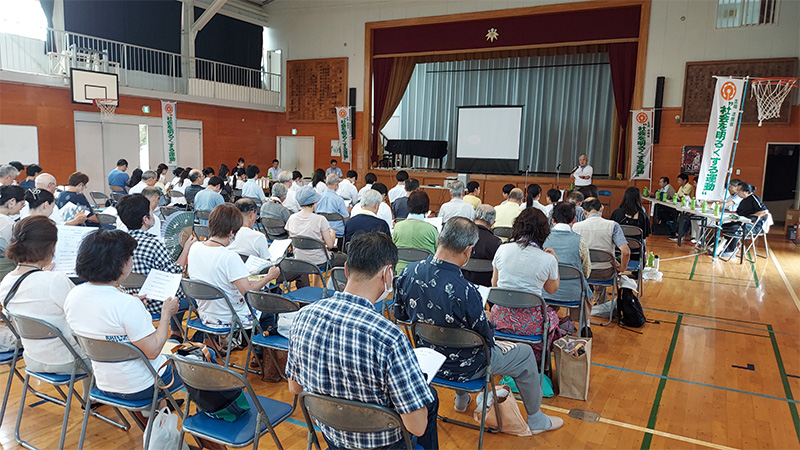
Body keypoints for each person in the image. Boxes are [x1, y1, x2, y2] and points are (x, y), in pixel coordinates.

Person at [395, 218, 564, 434]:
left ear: (439, 239)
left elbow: (402, 315)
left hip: (429, 359)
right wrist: (488, 319)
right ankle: (536, 419)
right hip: (467, 366)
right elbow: (486, 339)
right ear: (468, 251)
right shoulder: (466, 291)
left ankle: (461, 398)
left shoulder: (408, 273)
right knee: (524, 354)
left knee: (452, 333)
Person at [287, 232, 438, 450]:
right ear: (388, 274)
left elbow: (295, 387)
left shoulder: (303, 316)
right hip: (383, 445)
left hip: (333, 439)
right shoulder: (389, 336)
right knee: (428, 400)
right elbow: (417, 426)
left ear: (346, 270)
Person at [64, 229, 179, 405]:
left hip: (104, 383)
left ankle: (154, 412)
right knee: (202, 356)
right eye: (130, 256)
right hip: (142, 385)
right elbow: (153, 351)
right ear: (120, 263)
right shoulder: (126, 304)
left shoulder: (73, 295)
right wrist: (166, 315)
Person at [0, 216, 88, 381]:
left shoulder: (6, 283)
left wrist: (41, 271)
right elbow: (85, 313)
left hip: (33, 359)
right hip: (71, 361)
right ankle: (91, 398)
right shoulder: (54, 280)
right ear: (51, 247)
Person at [187, 204, 281, 329]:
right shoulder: (229, 257)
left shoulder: (194, 248)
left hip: (206, 315)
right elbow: (248, 292)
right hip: (230, 316)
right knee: (269, 308)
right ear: (231, 232)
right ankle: (257, 346)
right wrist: (269, 277)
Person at [117, 194, 193, 339]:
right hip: (157, 304)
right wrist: (186, 248)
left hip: (131, 300)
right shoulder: (154, 243)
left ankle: (176, 333)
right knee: (196, 297)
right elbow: (175, 273)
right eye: (151, 212)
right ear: (145, 219)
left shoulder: (119, 242)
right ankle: (196, 339)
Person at [490, 207, 562, 345]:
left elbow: (495, 284)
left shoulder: (502, 249)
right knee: (553, 317)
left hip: (500, 319)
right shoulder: (548, 259)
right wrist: (556, 263)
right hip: (532, 325)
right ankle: (542, 362)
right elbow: (551, 289)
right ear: (544, 231)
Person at [543, 202, 593, 336]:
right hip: (573, 292)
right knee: (585, 288)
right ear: (574, 219)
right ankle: (584, 326)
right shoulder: (580, 241)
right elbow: (587, 271)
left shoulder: (543, 239)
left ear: (553, 220)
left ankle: (549, 321)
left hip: (546, 291)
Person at [572, 198, 631, 292]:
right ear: (601, 208)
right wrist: (622, 267)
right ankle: (601, 303)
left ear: (584, 211)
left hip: (582, 272)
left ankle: (588, 300)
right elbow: (626, 252)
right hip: (605, 272)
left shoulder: (575, 227)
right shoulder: (613, 225)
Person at [284, 186, 346, 274]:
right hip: (320, 262)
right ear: (314, 203)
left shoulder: (292, 218)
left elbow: (293, 239)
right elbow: (330, 246)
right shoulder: (320, 219)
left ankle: (316, 283)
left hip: (299, 260)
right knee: (344, 258)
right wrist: (332, 234)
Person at [392, 191, 438, 273]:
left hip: (400, 274)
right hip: (424, 274)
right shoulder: (431, 230)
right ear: (427, 208)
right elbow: (438, 254)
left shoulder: (398, 227)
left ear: (408, 206)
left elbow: (393, 249)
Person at [720, 182, 768, 258]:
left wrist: (750, 217)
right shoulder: (743, 200)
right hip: (742, 223)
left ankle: (731, 251)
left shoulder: (754, 198)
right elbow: (738, 213)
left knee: (735, 229)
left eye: (738, 190)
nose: (737, 192)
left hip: (754, 226)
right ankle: (727, 247)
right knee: (724, 226)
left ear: (746, 191)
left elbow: (764, 211)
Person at [462, 204, 501, 287]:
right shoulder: (496, 243)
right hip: (486, 288)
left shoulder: (461, 236)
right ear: (493, 222)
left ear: (474, 217)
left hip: (461, 283)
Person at [0, 185, 26, 278]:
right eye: (22, 205)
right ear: (12, 201)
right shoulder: (7, 222)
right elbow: (12, 249)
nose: (21, 210)